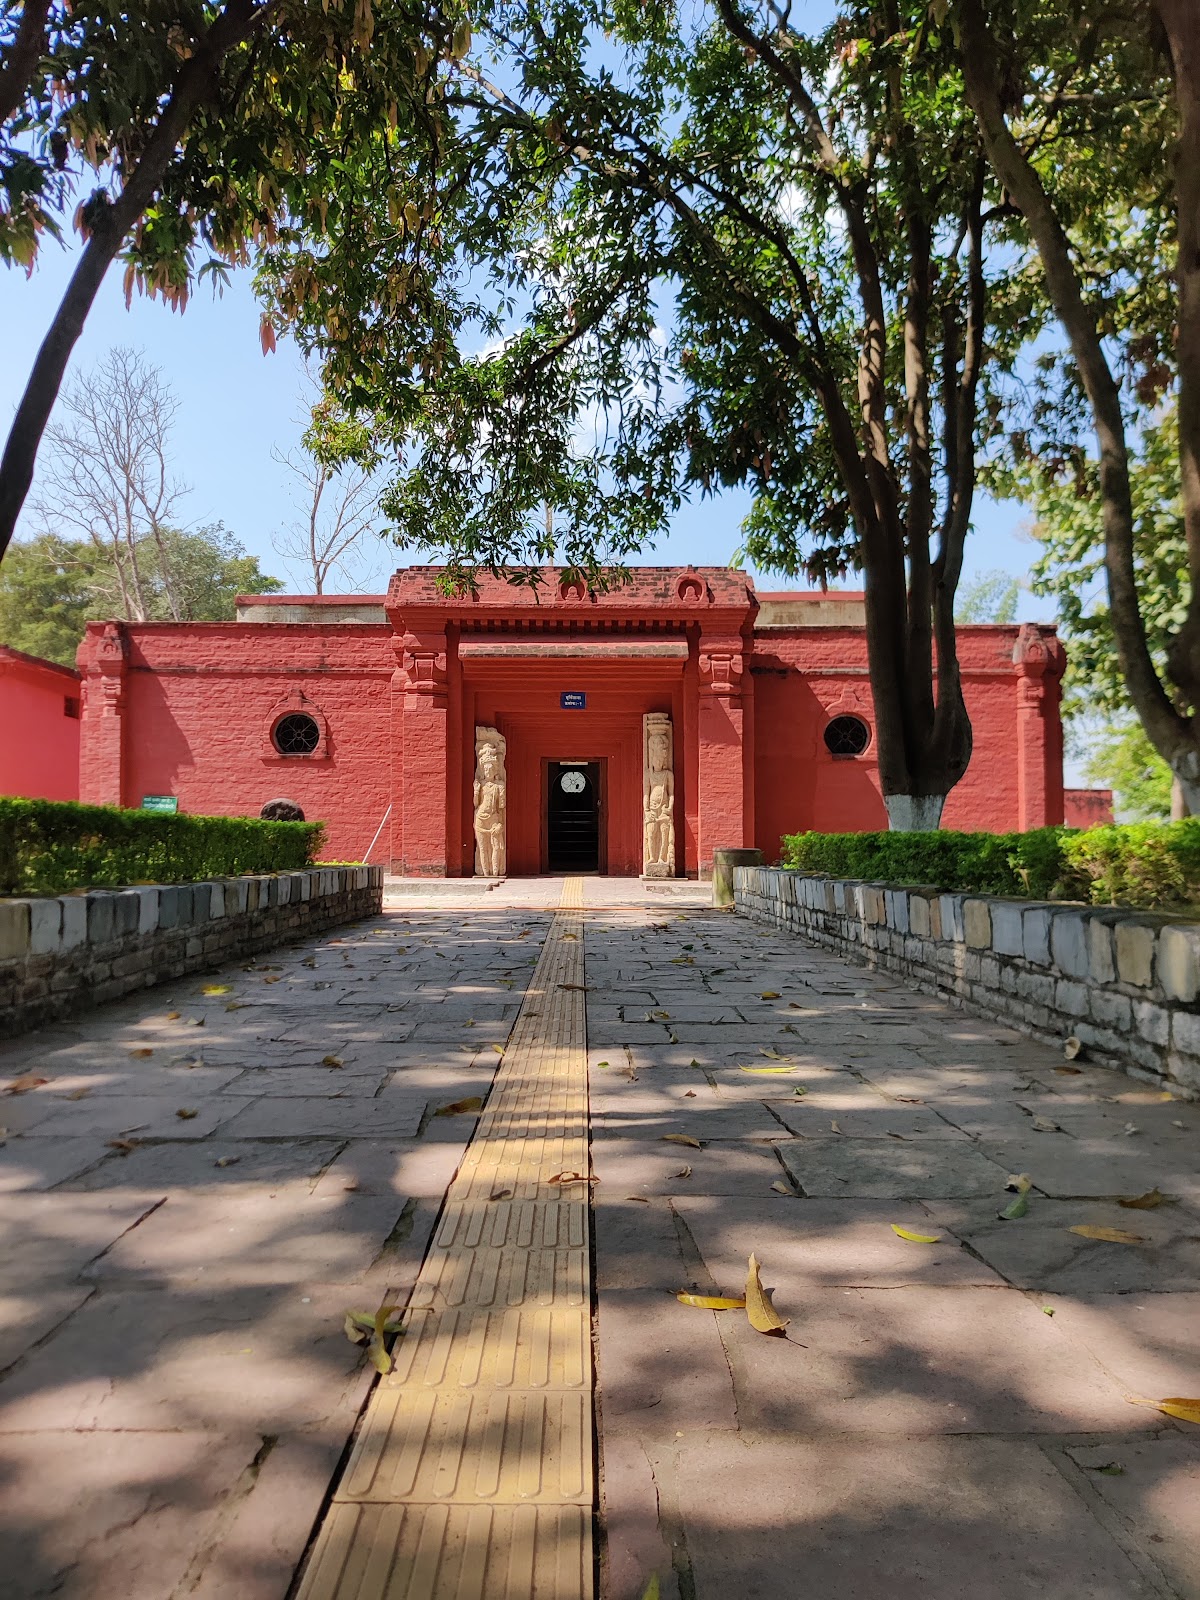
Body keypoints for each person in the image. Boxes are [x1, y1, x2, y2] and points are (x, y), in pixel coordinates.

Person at [473, 743, 506, 877]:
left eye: (490, 770)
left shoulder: (499, 785)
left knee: (496, 847)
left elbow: (501, 806)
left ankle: (496, 871)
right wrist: (476, 791)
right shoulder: (480, 785)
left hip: (493, 817)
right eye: (485, 770)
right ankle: (485, 872)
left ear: (495, 770)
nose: (488, 772)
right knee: (482, 847)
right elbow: (476, 804)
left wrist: (502, 791)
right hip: (481, 817)